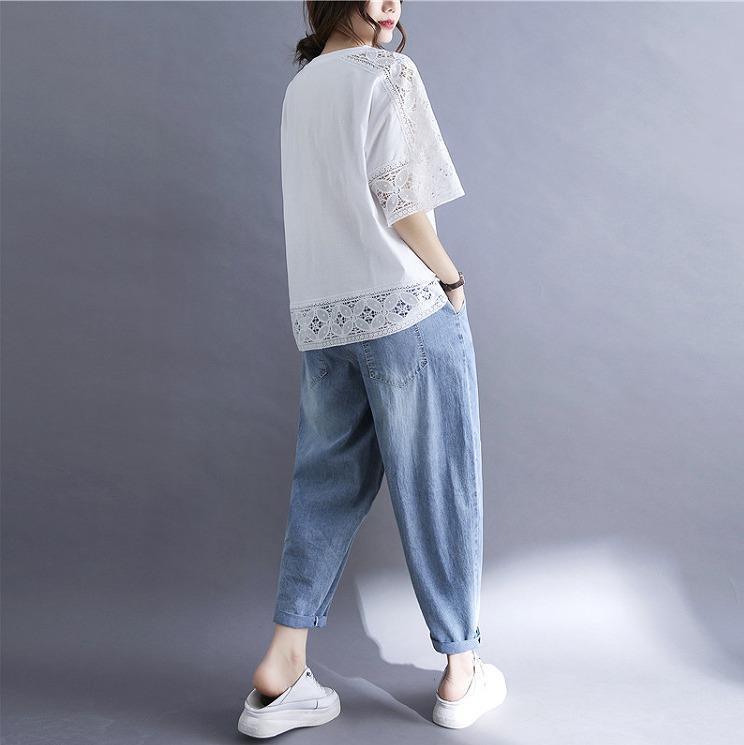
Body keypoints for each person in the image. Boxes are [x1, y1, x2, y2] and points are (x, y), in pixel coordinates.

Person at [237, 0, 506, 736]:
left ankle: (283, 661)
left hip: (325, 316)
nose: (389, 3)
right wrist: (450, 277)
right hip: (405, 308)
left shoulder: (301, 89)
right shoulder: (388, 73)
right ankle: (459, 668)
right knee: (439, 481)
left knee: (324, 485)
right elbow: (402, 203)